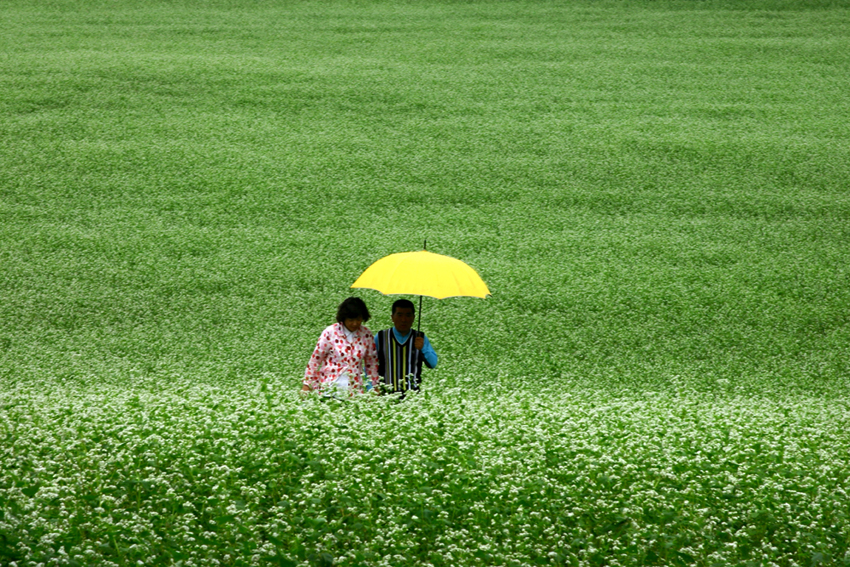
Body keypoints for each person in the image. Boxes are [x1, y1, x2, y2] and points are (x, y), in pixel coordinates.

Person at [302, 297, 380, 397]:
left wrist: (375, 387)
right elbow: (315, 359)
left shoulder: (366, 334)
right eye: (351, 320)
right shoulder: (331, 332)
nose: (355, 323)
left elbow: (371, 364)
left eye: (358, 319)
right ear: (343, 318)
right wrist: (306, 384)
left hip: (354, 392)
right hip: (328, 389)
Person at [374, 299, 438, 396]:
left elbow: (433, 363)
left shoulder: (420, 338)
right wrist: (373, 388)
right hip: (386, 395)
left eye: (408, 315)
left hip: (412, 396)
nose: (404, 319)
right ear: (392, 317)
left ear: (413, 318)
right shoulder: (381, 337)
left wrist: (423, 348)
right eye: (399, 315)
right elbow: (370, 364)